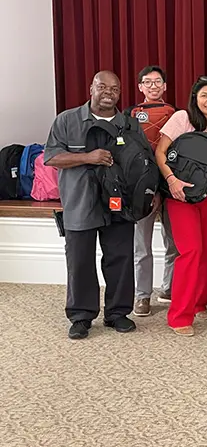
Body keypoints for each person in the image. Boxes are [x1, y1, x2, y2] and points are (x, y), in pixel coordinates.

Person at [44, 71, 141, 340]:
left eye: (115, 88)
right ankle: (80, 316)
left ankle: (118, 313)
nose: (108, 92)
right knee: (79, 261)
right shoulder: (67, 120)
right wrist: (88, 157)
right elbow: (51, 158)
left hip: (119, 204)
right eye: (102, 86)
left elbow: (142, 162)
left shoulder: (130, 125)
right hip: (80, 201)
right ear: (91, 88)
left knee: (120, 259)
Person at [156, 76, 207, 336]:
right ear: (195, 98)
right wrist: (171, 180)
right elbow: (160, 152)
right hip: (181, 193)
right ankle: (179, 315)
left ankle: (199, 302)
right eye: (204, 96)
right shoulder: (181, 119)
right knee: (191, 250)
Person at [128, 65, 178, 315]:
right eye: (148, 82)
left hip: (169, 185)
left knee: (173, 243)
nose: (153, 86)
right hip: (142, 189)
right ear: (140, 87)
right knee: (142, 246)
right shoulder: (131, 115)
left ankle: (168, 287)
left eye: (158, 81)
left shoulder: (177, 114)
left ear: (165, 86)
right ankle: (142, 295)